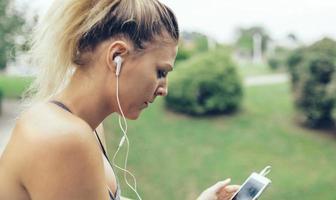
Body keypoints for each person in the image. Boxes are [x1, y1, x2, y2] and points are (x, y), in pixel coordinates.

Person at [0, 0, 239, 199]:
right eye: (161, 72)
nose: (163, 89)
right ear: (117, 56)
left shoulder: (88, 128)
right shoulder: (64, 139)